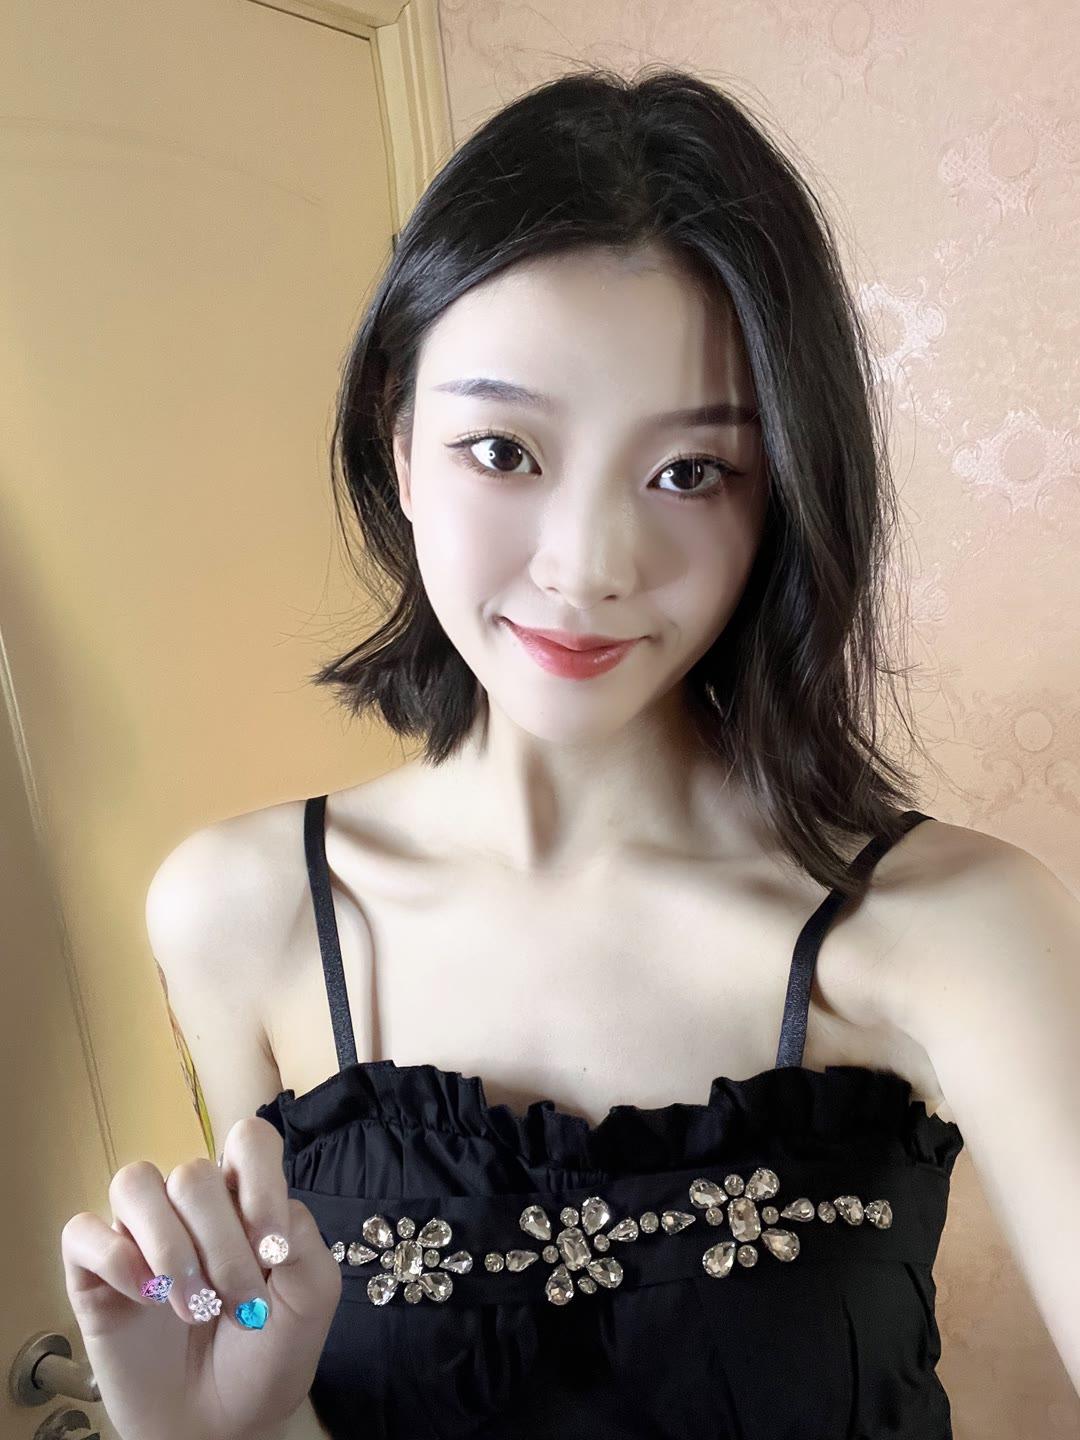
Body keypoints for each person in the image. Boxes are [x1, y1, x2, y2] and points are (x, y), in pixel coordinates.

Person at [61, 64, 1080, 1440]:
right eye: (503, 450)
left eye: (690, 473)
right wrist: (209, 1434)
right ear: (400, 443)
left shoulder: (960, 930)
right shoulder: (242, 913)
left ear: (782, 492)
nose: (589, 565)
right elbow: (260, 1349)